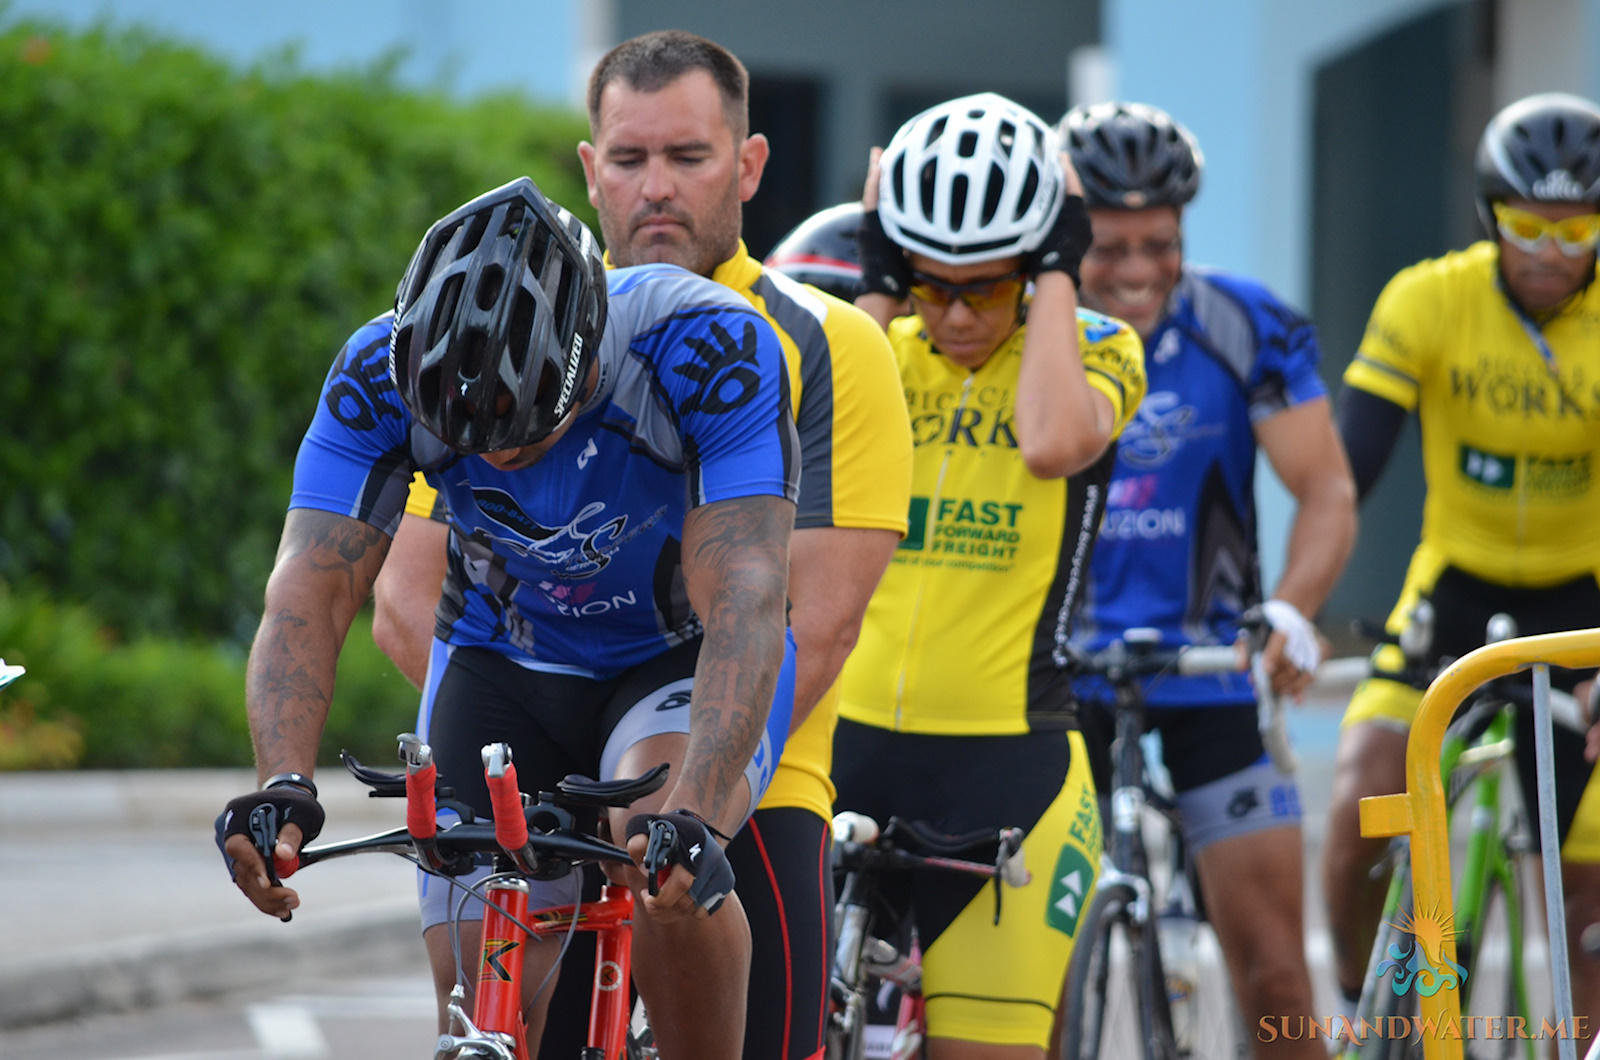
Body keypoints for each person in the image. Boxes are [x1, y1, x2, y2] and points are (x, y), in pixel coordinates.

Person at [371, 31, 913, 1060]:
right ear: (590, 169)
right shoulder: (505, 340)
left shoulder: (830, 342)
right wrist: (558, 739)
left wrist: (678, 781)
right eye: (628, 159)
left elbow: (821, 618)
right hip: (551, 774)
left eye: (688, 157)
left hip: (749, 770)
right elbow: (409, 602)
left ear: (748, 166)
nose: (654, 187)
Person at [218, 176, 802, 1060]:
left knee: (661, 860)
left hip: (672, 659)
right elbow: (309, 588)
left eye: (522, 436)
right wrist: (281, 783)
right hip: (501, 660)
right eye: (469, 441)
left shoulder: (707, 347)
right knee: (476, 991)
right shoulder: (376, 372)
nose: (494, 458)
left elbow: (749, 594)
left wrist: (699, 811)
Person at [840, 92, 1146, 1060]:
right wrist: (876, 281)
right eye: (930, 285)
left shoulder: (1097, 349)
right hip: (838, 753)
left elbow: (1054, 442)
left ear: (1036, 263)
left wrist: (1059, 265)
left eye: (986, 287)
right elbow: (814, 443)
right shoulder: (882, 348)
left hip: (1012, 772)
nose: (957, 313)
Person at [1060, 101, 1357, 1057]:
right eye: (1108, 247)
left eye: (1161, 243)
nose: (1138, 271)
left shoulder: (1245, 323)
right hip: (1054, 674)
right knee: (1036, 985)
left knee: (1274, 968)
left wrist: (1291, 612)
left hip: (1209, 665)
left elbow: (1327, 490)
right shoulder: (1025, 327)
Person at [1321, 91, 1600, 1041]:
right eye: (1527, 225)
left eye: (1577, 230)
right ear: (1489, 215)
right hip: (1455, 585)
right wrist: (1295, 603)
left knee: (1588, 880)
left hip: (1584, 601)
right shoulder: (1427, 297)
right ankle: (1372, 1007)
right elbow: (1344, 474)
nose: (1551, 253)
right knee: (1361, 788)